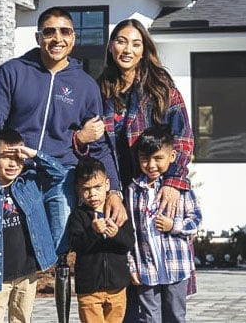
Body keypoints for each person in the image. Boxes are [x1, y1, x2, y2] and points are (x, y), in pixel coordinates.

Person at [0, 6, 126, 322]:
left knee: (59, 252)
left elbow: (99, 144)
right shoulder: (14, 72)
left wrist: (115, 190)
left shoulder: (84, 85)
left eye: (65, 32)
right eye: (50, 31)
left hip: (61, 176)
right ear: (38, 36)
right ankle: (4, 310)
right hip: (18, 179)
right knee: (22, 255)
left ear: (74, 38)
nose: (57, 38)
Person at [76, 18, 194, 321]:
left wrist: (173, 181)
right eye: (121, 41)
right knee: (124, 278)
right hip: (118, 192)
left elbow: (183, 138)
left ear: (144, 50)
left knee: (164, 283)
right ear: (111, 46)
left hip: (156, 190)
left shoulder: (160, 86)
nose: (127, 49)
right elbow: (94, 143)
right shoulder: (100, 88)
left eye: (136, 43)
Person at [0, 128, 65, 323]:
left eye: (18, 157)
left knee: (21, 319)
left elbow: (60, 174)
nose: (13, 163)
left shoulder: (30, 182)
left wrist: (33, 154)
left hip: (27, 271)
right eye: (6, 157)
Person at [126, 124, 202, 323]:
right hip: (146, 268)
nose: (151, 165)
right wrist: (132, 265)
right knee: (150, 318)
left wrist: (173, 226)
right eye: (145, 159)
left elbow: (195, 220)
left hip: (177, 267)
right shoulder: (133, 190)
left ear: (172, 156)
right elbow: (130, 232)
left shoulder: (180, 189)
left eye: (158, 158)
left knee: (176, 316)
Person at [68, 157, 134, 323]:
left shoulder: (118, 211)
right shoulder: (79, 215)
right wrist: (93, 231)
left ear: (107, 185)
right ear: (78, 190)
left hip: (117, 287)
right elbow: (76, 245)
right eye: (86, 189)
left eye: (97, 187)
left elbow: (129, 243)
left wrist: (116, 234)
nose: (92, 194)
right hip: (89, 289)